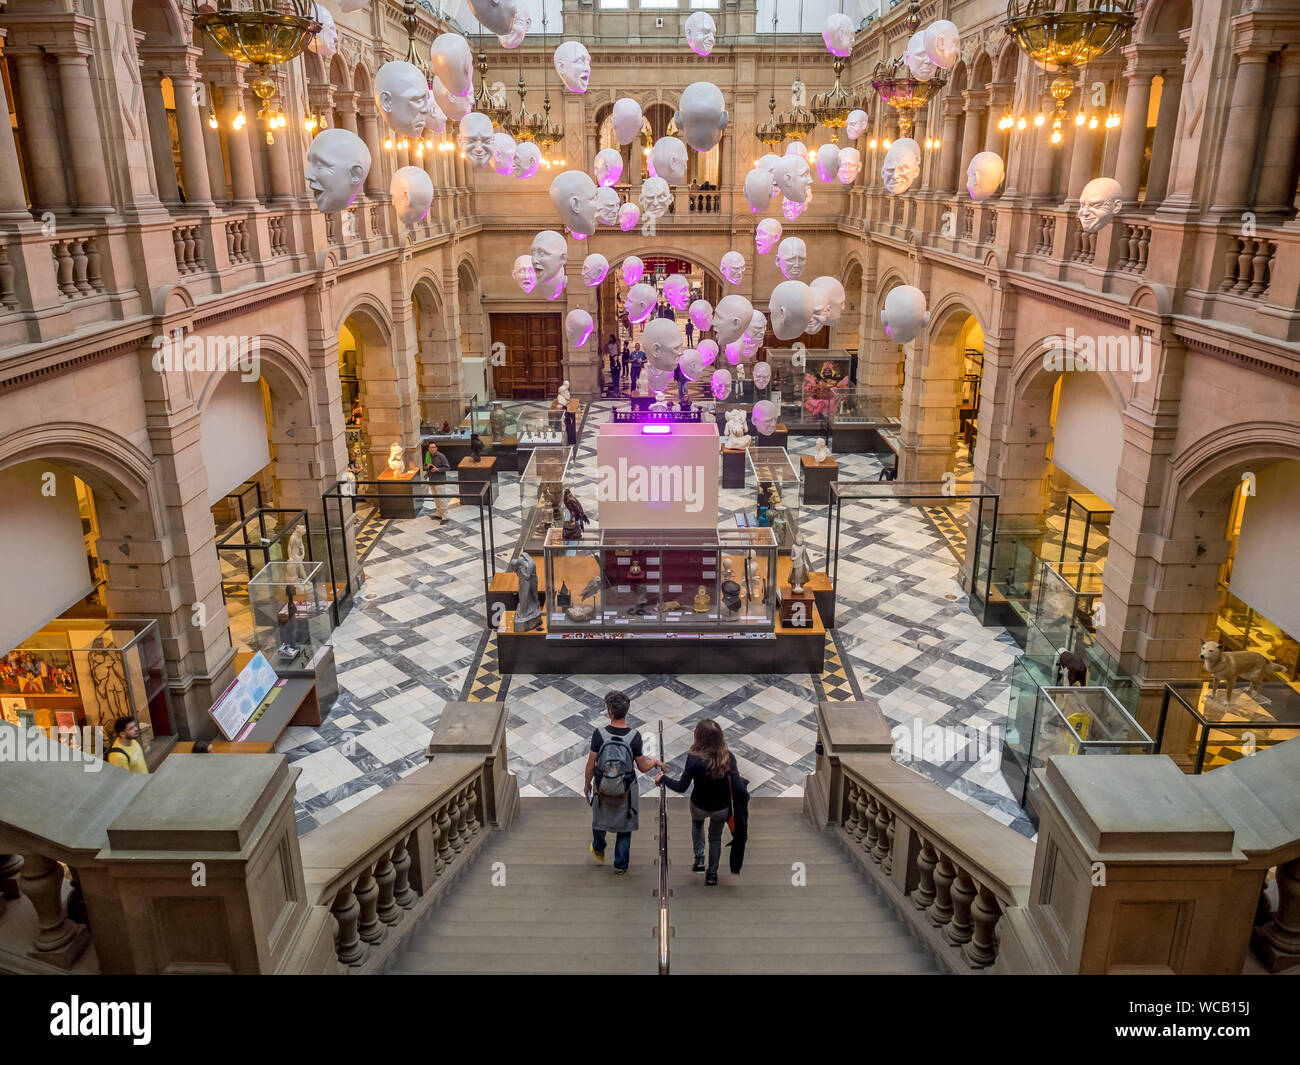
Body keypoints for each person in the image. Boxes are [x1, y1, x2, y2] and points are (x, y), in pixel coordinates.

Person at [584, 691, 666, 874]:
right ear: (626, 711)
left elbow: (590, 765)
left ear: (609, 711)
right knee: (625, 826)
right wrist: (655, 761)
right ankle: (620, 866)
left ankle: (598, 847)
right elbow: (643, 767)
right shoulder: (634, 737)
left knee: (599, 818)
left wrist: (587, 784)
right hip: (626, 789)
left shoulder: (599, 734)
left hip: (602, 786)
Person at [655, 719, 739, 885]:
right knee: (715, 838)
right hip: (721, 807)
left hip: (699, 804)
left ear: (698, 736)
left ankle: (699, 860)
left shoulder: (694, 759)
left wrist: (663, 778)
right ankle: (712, 875)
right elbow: (736, 784)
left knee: (698, 824)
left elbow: (681, 787)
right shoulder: (729, 758)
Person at [423, 442, 450, 519]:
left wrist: (437, 469)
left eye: (433, 447)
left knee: (441, 499)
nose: (432, 449)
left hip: (440, 481)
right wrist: (427, 466)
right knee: (436, 499)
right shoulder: (428, 456)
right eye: (430, 447)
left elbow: (447, 467)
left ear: (436, 448)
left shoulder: (441, 456)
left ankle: (445, 516)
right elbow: (424, 466)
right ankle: (439, 513)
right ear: (428, 448)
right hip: (432, 480)